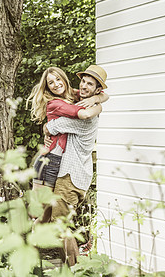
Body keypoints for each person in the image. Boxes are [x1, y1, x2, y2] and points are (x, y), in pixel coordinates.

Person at [42, 64, 108, 266]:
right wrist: (100, 100)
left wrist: (46, 128)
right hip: (73, 175)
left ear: (97, 89)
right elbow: (101, 98)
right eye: (83, 81)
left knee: (61, 226)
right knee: (57, 222)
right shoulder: (87, 102)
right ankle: (75, 262)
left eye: (90, 84)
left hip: (70, 176)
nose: (85, 86)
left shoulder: (86, 115)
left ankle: (75, 267)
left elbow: (53, 126)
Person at [27, 67, 108, 212]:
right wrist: (99, 105)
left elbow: (103, 97)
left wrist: (98, 100)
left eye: (58, 79)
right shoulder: (57, 103)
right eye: (83, 81)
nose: (83, 86)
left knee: (49, 218)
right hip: (50, 160)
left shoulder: (72, 97)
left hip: (63, 167)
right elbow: (83, 115)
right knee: (40, 214)